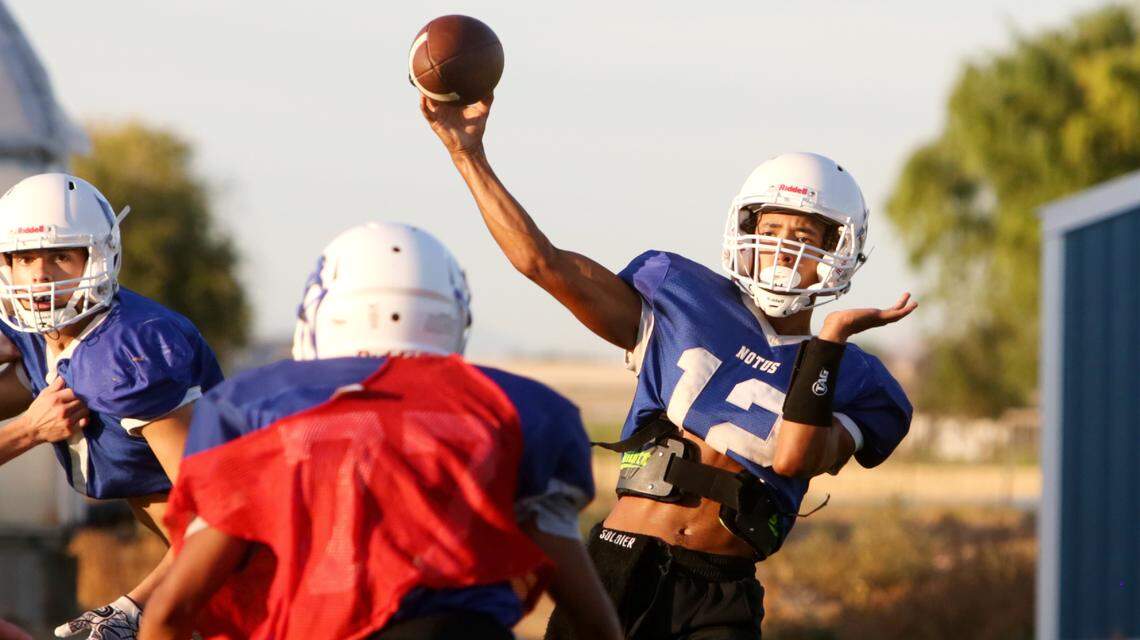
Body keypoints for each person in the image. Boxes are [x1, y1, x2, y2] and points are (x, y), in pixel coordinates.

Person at [421, 96, 916, 639]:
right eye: (771, 231)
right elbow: (542, 262)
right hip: (621, 563)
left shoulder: (858, 378)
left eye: (802, 238)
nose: (781, 251)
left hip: (720, 587)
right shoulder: (680, 293)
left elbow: (796, 459)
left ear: (838, 251)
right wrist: (468, 153)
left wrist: (828, 343)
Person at [138, 222, 621, 640]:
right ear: (453, 317)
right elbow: (592, 621)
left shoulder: (255, 408)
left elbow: (170, 610)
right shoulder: (515, 411)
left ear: (321, 311)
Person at [0, 174, 224, 639]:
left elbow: (218, 515)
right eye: (24, 258)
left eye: (60, 256)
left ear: (97, 257)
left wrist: (132, 609)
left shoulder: (130, 350)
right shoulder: (37, 339)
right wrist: (30, 427)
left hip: (234, 560)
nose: (39, 276)